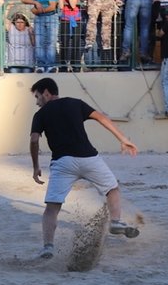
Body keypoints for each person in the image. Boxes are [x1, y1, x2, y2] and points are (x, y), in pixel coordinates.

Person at [29, 77, 139, 259]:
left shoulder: (40, 115)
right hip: (88, 158)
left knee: (52, 208)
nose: (37, 102)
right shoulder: (75, 103)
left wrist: (35, 167)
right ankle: (116, 222)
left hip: (62, 163)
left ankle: (48, 246)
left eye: (37, 97)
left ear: (46, 93)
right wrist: (123, 139)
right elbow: (102, 118)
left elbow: (34, 140)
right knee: (112, 189)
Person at [22, 0, 58, 72]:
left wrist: (37, 10)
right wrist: (35, 2)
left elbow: (52, 6)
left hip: (51, 16)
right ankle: (41, 65)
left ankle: (50, 65)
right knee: (39, 42)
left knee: (51, 41)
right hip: (39, 18)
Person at [57, 0, 82, 71]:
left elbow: (73, 5)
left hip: (75, 20)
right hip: (65, 19)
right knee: (64, 43)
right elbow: (60, 6)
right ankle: (63, 65)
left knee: (76, 43)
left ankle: (75, 65)